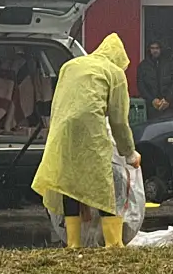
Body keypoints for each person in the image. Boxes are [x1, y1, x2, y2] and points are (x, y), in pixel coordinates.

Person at [33, 33, 140, 250]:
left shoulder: (71, 65)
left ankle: (73, 243)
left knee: (68, 183)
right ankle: (113, 243)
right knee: (103, 184)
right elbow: (119, 120)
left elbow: (59, 102)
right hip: (91, 131)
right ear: (119, 59)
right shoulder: (115, 73)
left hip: (61, 129)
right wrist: (129, 152)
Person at [136, 40, 173, 121]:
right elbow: (141, 85)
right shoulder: (143, 66)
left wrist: (168, 99)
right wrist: (152, 100)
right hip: (151, 108)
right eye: (152, 48)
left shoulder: (171, 63)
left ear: (161, 49)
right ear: (149, 50)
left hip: (170, 107)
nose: (155, 50)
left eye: (157, 48)